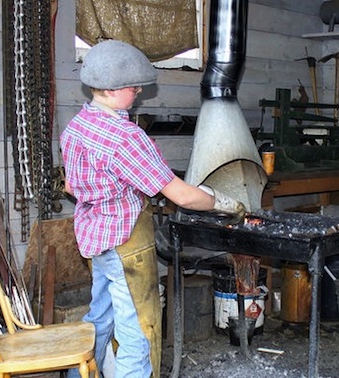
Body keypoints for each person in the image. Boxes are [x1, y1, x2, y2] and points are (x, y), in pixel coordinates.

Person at [61, 40, 246, 378]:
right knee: (138, 332)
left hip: (93, 238)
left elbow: (71, 186)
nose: (140, 90)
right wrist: (223, 203)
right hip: (124, 243)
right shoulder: (125, 137)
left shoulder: (76, 126)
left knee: (99, 317)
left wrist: (114, 188)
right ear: (114, 89)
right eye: (134, 87)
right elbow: (184, 197)